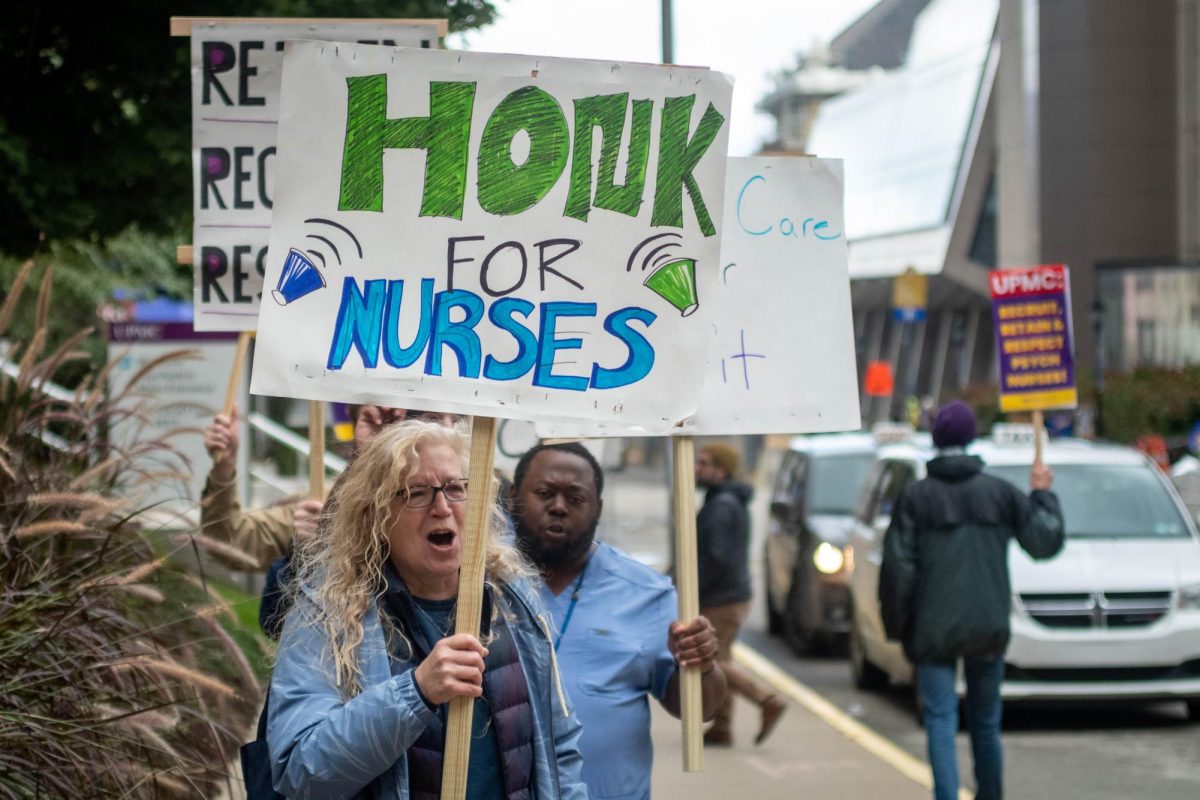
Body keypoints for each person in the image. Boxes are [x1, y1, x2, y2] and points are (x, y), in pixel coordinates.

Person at [267, 420, 586, 799]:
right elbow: (300, 770)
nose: (442, 507)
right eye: (417, 492)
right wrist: (416, 693)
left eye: (455, 488)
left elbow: (559, 749)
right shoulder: (326, 613)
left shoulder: (513, 599)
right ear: (377, 516)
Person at [509, 441, 727, 800]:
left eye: (575, 498)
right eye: (545, 493)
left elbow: (697, 709)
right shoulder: (474, 580)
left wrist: (701, 665)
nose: (559, 507)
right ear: (514, 496)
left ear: (598, 507)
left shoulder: (648, 593)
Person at [879, 401, 1065, 800]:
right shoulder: (999, 493)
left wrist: (898, 627)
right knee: (985, 722)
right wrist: (1043, 495)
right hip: (988, 623)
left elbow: (898, 570)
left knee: (940, 719)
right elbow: (1043, 542)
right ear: (971, 439)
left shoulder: (915, 498)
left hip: (932, 627)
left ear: (935, 441)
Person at [694, 443, 786, 747]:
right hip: (730, 593)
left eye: (704, 462)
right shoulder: (726, 500)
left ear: (721, 469)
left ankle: (766, 699)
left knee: (714, 660)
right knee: (721, 658)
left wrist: (693, 589)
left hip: (720, 597)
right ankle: (722, 726)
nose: (697, 468)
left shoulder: (721, 505)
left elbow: (716, 556)